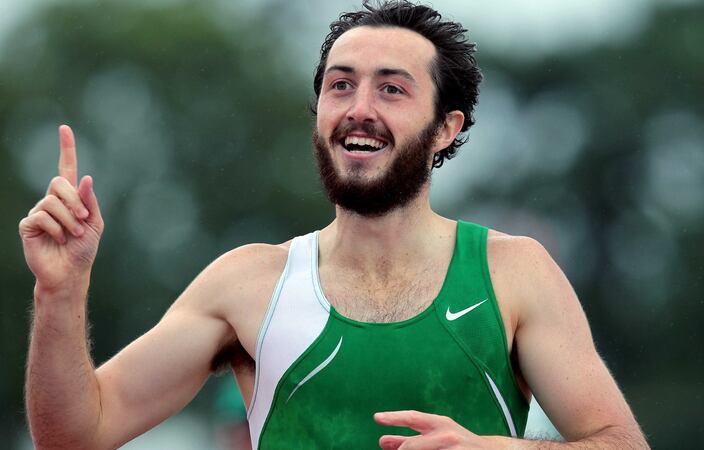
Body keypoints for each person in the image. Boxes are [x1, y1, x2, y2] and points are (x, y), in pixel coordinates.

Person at [19, 1, 650, 449]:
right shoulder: (246, 284)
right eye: (340, 85)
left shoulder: (512, 273)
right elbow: (74, 437)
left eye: (392, 90)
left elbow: (620, 443)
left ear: (446, 129)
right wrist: (59, 291)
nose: (360, 110)